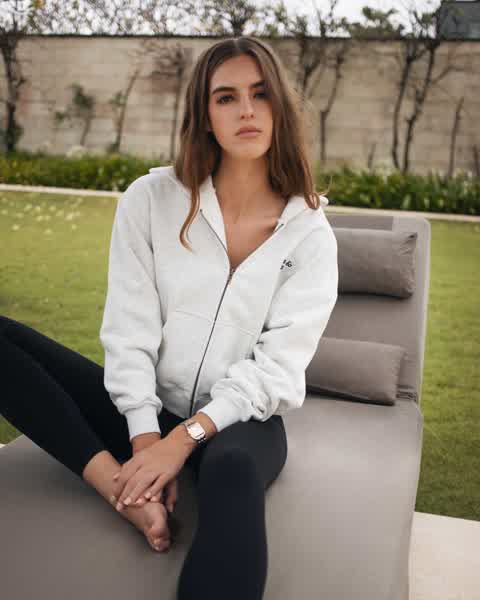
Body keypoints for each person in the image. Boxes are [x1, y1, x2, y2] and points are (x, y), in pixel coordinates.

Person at [0, 36, 338, 599]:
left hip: (239, 422)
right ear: (204, 116)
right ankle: (121, 491)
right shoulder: (151, 199)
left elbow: (278, 367)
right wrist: (144, 442)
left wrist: (181, 441)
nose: (247, 110)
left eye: (260, 94)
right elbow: (130, 328)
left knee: (232, 472)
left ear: (280, 106)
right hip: (149, 410)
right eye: (226, 97)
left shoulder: (310, 235)